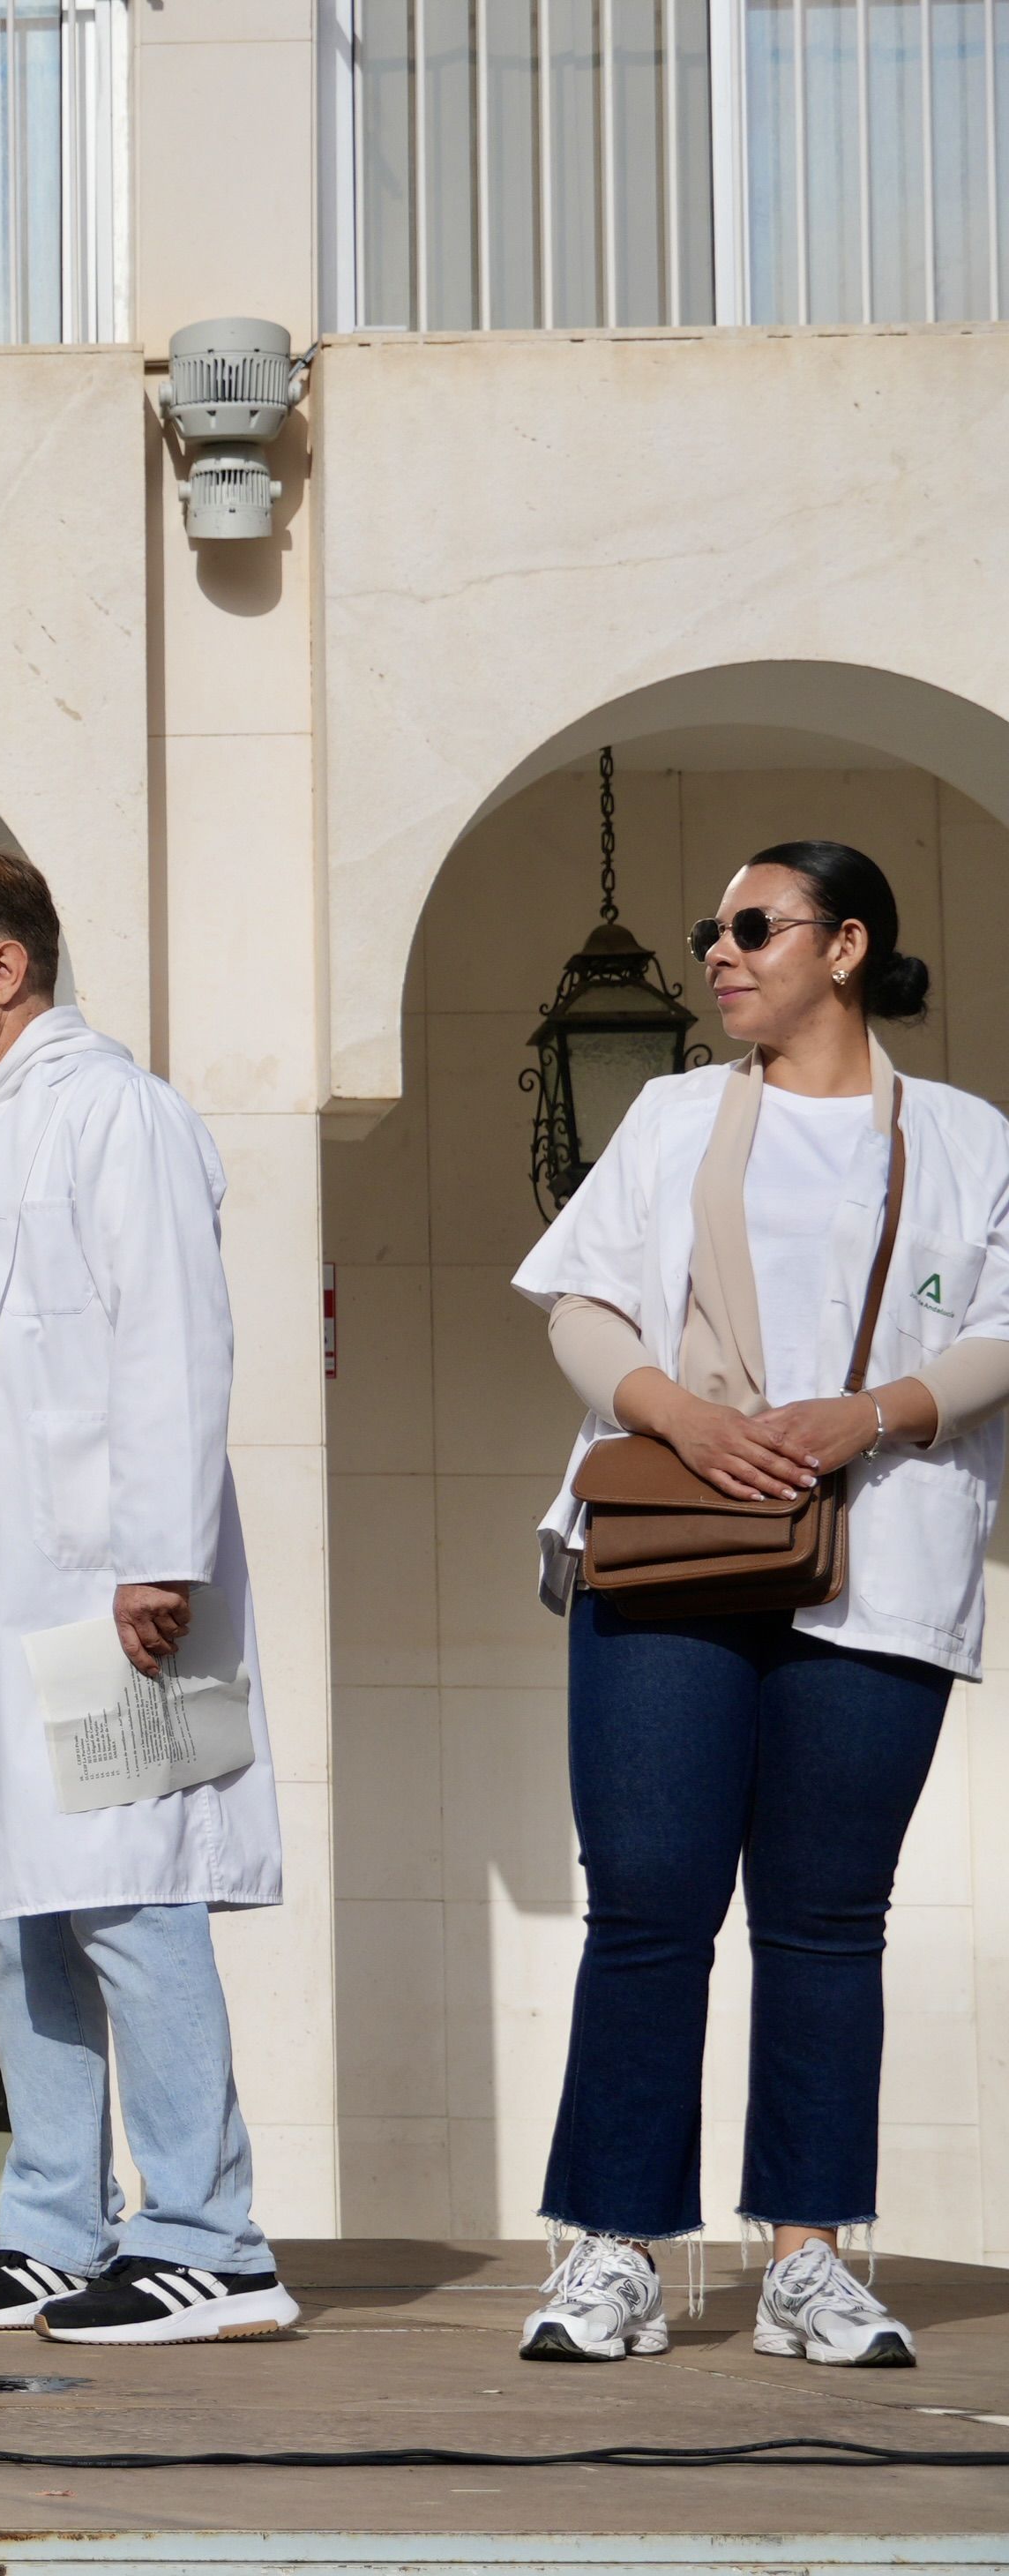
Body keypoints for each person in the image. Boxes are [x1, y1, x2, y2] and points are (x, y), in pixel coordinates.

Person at [510, 839, 1009, 2372]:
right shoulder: (670, 1118)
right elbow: (580, 1307)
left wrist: (877, 1412)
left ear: (847, 947)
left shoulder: (968, 1139)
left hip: (886, 1552)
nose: (720, 953)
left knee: (825, 1918)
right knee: (649, 1898)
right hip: (670, 1548)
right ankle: (614, 2250)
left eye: (752, 926)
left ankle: (807, 2255)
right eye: (709, 928)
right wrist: (677, 1415)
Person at [0, 851, 296, 2347]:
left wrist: (162, 1552)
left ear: (4, 970)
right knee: (17, 1914)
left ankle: (214, 2237)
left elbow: (174, 1332)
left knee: (133, 1899)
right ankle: (56, 2228)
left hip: (101, 1592)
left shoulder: (115, 1111)